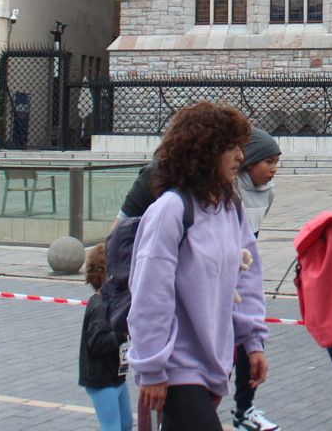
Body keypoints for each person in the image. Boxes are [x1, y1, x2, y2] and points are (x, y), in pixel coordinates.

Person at [126, 102, 266, 431]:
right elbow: (150, 294)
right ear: (204, 151)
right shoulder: (171, 210)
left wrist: (253, 342)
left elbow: (246, 280)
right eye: (230, 147)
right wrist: (151, 368)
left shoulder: (231, 208)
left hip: (214, 364)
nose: (240, 157)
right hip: (176, 366)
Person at [232, 129, 283, 431]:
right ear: (248, 162)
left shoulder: (270, 191)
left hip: (245, 273)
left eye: (277, 161)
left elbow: (253, 236)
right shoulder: (231, 189)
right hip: (223, 277)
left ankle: (245, 409)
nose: (273, 168)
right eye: (268, 161)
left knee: (250, 343)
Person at [80, 243, 133, 431]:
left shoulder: (110, 301)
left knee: (125, 424)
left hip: (115, 376)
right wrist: (123, 333)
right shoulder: (100, 305)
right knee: (112, 427)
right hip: (102, 379)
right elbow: (96, 342)